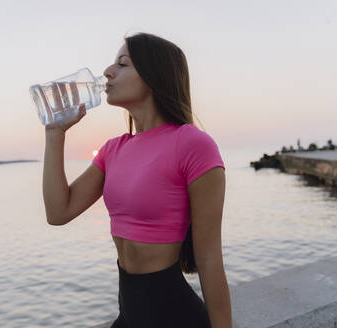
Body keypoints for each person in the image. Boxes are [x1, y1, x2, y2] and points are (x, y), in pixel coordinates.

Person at [43, 32, 232, 328]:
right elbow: (58, 212)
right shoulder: (113, 149)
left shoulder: (193, 144)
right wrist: (54, 135)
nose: (107, 72)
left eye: (123, 64)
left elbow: (209, 258)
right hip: (129, 317)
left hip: (175, 318)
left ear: (153, 75)